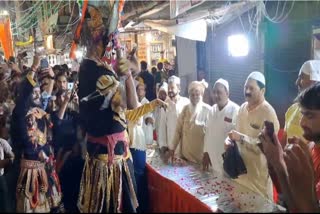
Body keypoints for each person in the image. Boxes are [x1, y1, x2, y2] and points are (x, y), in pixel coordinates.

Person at [76, 4, 141, 213]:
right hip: (108, 165)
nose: (115, 44)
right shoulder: (93, 71)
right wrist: (127, 73)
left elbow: (131, 105)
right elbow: (130, 104)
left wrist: (127, 72)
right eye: (113, 39)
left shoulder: (99, 67)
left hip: (115, 157)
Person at [259, 83, 320, 212]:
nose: (302, 122)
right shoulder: (310, 148)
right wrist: (276, 162)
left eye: (310, 116)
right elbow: (293, 203)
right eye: (302, 114)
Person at [225, 71, 279, 200]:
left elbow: (268, 148)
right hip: (240, 174)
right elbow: (235, 133)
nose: (247, 91)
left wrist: (242, 138)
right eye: (245, 87)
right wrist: (229, 141)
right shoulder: (242, 108)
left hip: (258, 180)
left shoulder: (268, 112)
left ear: (263, 90)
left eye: (252, 88)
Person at [169, 80, 211, 164]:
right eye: (192, 95)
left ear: (201, 95)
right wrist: (172, 148)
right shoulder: (185, 109)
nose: (195, 97)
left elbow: (210, 136)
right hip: (185, 158)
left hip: (200, 159)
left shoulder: (208, 110)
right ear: (189, 96)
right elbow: (178, 130)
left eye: (197, 94)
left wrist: (208, 154)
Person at [203, 79, 239, 174]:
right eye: (214, 92)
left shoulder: (235, 110)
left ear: (227, 92)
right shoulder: (211, 110)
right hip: (212, 158)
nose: (215, 95)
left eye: (219, 92)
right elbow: (207, 132)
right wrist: (206, 152)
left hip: (227, 160)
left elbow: (237, 137)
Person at [282, 60, 320, 147]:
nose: (297, 82)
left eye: (301, 77)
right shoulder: (292, 109)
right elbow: (284, 139)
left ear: (315, 81)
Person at [158, 76, 189, 156]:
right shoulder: (165, 104)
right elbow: (162, 127)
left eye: (172, 87)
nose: (170, 90)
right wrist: (163, 146)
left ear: (179, 88)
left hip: (185, 147)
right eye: (169, 88)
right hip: (171, 148)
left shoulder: (186, 102)